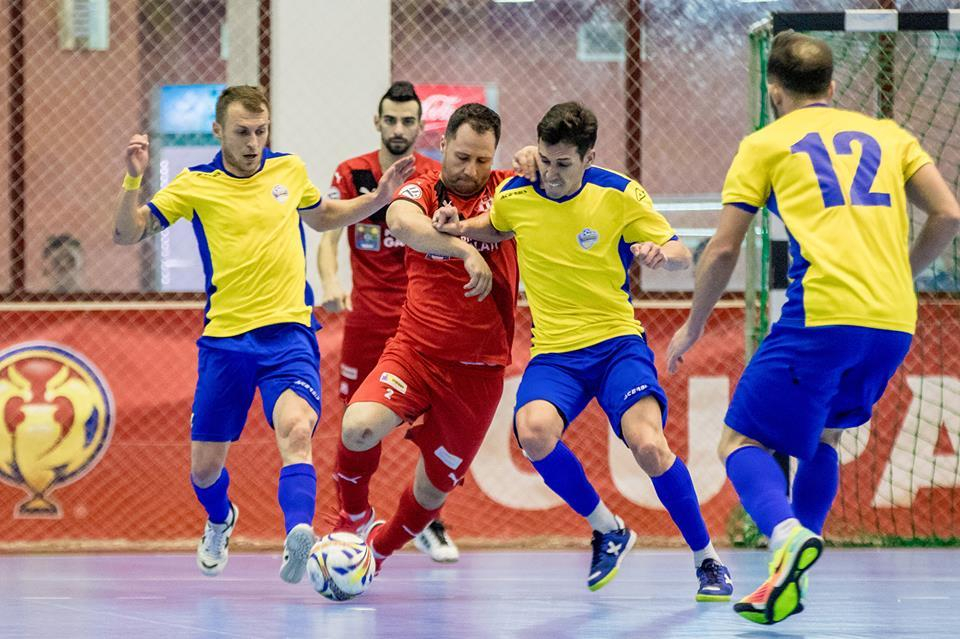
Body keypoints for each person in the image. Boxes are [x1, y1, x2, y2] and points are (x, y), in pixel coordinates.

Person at [666, 31, 960, 625]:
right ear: (832, 85)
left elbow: (723, 250)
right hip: (893, 320)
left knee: (739, 442)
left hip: (822, 315)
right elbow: (949, 213)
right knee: (824, 437)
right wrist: (901, 272)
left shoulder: (765, 143)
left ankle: (784, 534)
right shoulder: (891, 134)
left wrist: (693, 326)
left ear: (773, 89)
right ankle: (787, 577)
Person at [111, 85, 414, 584]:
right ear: (218, 131)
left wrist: (378, 198)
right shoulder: (195, 184)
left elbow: (323, 218)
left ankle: (299, 535)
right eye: (242, 132)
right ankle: (219, 518)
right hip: (226, 341)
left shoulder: (288, 171)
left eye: (261, 131)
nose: (254, 142)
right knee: (204, 472)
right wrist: (132, 180)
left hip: (289, 334)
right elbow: (127, 233)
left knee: (296, 431)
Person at [433, 102, 733, 600]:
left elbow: (679, 252)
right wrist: (459, 226)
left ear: (589, 157)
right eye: (545, 161)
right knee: (532, 431)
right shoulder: (518, 193)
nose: (550, 174)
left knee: (650, 445)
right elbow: (498, 224)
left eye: (563, 165)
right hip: (555, 353)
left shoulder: (619, 195)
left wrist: (664, 255)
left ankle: (707, 560)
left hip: (617, 345)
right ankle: (608, 528)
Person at [331, 103, 519, 580]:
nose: (470, 170)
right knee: (357, 426)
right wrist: (461, 249)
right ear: (442, 146)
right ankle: (351, 518)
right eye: (461, 156)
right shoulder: (425, 187)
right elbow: (399, 221)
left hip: (478, 372)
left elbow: (564, 179)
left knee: (434, 491)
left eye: (482, 159)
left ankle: (376, 554)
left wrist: (538, 157)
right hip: (414, 352)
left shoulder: (510, 192)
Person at [317, 81, 458, 562]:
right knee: (357, 426)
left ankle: (428, 522)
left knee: (437, 428)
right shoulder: (352, 172)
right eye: (391, 120)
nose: (399, 129)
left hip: (425, 324)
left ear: (421, 127)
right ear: (378, 123)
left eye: (407, 121)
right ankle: (352, 516)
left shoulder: (437, 177)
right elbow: (329, 232)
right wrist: (330, 282)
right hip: (367, 322)